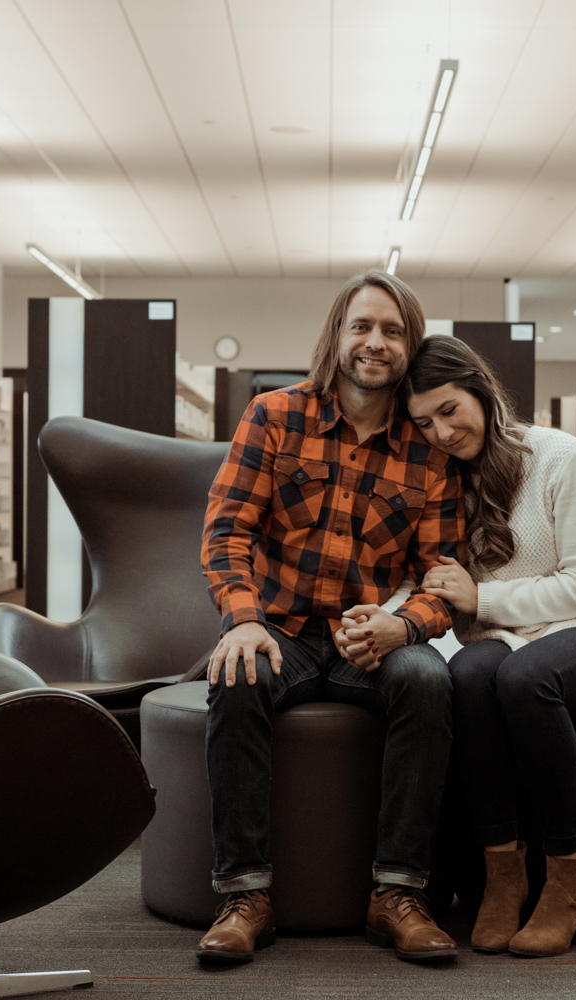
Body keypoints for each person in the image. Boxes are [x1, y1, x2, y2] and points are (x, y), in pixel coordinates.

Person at [197, 270, 466, 965]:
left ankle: (398, 894)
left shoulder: (429, 446)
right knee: (236, 674)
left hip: (369, 642)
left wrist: (404, 626)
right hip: (279, 631)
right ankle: (245, 897)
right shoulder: (273, 415)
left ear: (410, 344)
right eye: (362, 326)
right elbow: (226, 532)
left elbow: (444, 577)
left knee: (429, 680)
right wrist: (243, 619)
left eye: (393, 331)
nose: (376, 343)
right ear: (337, 336)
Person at [397, 335, 576, 958]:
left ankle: (569, 878)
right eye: (424, 423)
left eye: (450, 410)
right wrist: (388, 615)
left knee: (524, 679)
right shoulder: (440, 483)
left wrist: (482, 597)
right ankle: (503, 876)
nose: (442, 432)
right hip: (502, 642)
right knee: (467, 674)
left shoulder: (561, 456)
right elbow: (422, 578)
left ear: (480, 389)